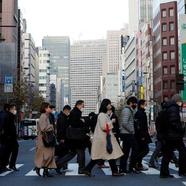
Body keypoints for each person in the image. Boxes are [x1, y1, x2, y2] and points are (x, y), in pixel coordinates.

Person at [82, 99, 123, 177]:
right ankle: (87, 169)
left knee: (108, 155)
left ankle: (114, 171)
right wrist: (112, 122)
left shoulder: (103, 114)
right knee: (103, 155)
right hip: (103, 139)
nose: (110, 105)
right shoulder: (102, 115)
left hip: (104, 139)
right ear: (105, 105)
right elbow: (104, 127)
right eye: (109, 104)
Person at [160, 94, 186, 178]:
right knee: (183, 152)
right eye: (180, 102)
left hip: (168, 135)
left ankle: (164, 173)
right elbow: (173, 121)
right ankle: (182, 171)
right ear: (177, 101)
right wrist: (180, 129)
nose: (181, 103)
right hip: (174, 135)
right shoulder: (174, 108)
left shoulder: (166, 107)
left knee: (167, 154)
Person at [34, 102, 57, 177]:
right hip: (44, 139)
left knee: (49, 155)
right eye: (49, 107)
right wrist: (51, 126)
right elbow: (43, 128)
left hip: (48, 138)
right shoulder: (43, 116)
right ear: (45, 108)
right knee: (47, 155)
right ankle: (39, 167)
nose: (50, 109)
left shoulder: (47, 116)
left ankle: (45, 170)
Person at [119, 96, 140, 174]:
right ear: (131, 103)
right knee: (135, 148)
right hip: (127, 133)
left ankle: (123, 168)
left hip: (126, 133)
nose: (135, 105)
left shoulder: (129, 110)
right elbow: (124, 123)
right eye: (134, 103)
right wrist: (131, 130)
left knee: (126, 151)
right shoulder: (127, 110)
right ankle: (131, 166)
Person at [68, 100, 89, 174]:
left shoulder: (74, 112)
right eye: (83, 105)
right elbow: (75, 123)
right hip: (78, 136)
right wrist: (82, 121)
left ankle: (58, 164)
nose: (83, 106)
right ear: (78, 105)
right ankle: (81, 168)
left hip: (75, 136)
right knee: (80, 152)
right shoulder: (76, 112)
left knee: (72, 153)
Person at [134, 100, 151, 171]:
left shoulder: (139, 113)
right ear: (141, 105)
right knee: (145, 150)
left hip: (140, 135)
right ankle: (135, 162)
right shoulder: (140, 113)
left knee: (141, 150)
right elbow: (140, 126)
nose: (146, 106)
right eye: (145, 104)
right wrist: (142, 136)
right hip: (141, 135)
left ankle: (138, 164)